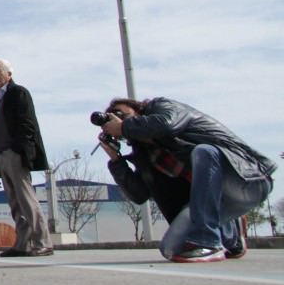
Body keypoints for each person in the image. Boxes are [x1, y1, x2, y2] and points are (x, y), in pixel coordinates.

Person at [98, 96, 276, 263]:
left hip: (246, 179)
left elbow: (167, 124)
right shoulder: (145, 155)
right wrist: (116, 160)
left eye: (122, 114)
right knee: (171, 249)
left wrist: (124, 127)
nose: (119, 120)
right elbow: (139, 195)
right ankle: (232, 235)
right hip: (210, 201)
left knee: (204, 152)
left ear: (138, 109)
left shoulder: (163, 106)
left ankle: (208, 242)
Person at [0, 59, 53, 257]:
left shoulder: (18, 93)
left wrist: (20, 149)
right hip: (1, 154)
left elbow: (27, 124)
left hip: (15, 153)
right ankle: (23, 244)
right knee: (15, 202)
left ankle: (42, 242)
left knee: (26, 198)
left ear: (9, 74)